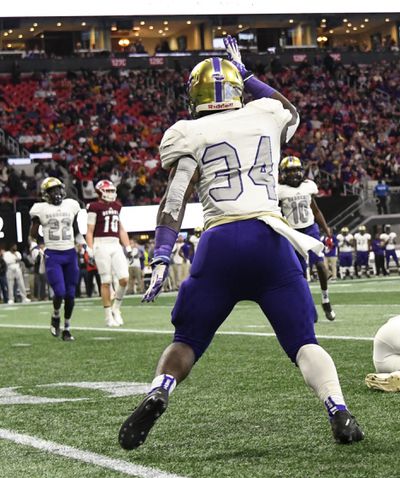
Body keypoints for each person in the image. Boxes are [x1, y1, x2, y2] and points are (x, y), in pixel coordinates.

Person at [118, 40, 363, 451]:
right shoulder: (264, 115)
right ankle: (337, 407)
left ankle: (159, 391)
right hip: (269, 239)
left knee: (187, 340)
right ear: (236, 90)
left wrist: (161, 255)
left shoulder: (189, 132)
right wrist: (248, 74)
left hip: (219, 244)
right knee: (303, 341)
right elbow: (290, 110)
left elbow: (174, 200)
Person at [278, 156, 336, 320]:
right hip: (293, 233)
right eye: (290, 171)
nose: (294, 173)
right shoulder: (279, 190)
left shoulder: (308, 186)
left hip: (310, 229)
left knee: (319, 264)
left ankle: (326, 300)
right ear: (283, 173)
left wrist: (326, 229)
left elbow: (316, 210)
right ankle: (309, 306)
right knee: (300, 274)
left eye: (296, 169)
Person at [29, 177, 82, 340]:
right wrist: (34, 249)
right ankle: (56, 315)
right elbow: (32, 235)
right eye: (52, 191)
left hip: (70, 253)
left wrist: (84, 245)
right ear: (46, 194)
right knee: (59, 291)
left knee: (71, 295)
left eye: (58, 189)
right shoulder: (40, 209)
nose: (56, 193)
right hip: (53, 254)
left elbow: (76, 231)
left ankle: (67, 328)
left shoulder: (71, 205)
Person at [86, 179, 132, 327]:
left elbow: (121, 229)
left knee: (124, 278)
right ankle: (108, 317)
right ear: (100, 192)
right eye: (108, 191)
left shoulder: (117, 206)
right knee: (105, 281)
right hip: (101, 244)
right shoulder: (94, 207)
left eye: (113, 191)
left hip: (115, 244)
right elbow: (90, 231)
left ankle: (116, 309)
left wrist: (128, 247)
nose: (111, 194)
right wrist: (90, 249)